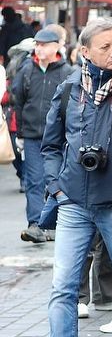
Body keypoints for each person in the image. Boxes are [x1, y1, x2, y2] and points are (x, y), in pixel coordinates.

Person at [41, 18, 112, 337]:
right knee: (62, 289)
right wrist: (56, 188)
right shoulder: (69, 90)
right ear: (85, 52)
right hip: (73, 203)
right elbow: (50, 146)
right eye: (105, 47)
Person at [12, 28, 73, 243]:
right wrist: (19, 133)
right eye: (37, 45)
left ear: (56, 46)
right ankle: (35, 224)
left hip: (59, 138)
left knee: (56, 180)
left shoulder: (67, 72)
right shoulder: (27, 69)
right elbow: (18, 101)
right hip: (31, 135)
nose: (39, 49)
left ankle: (55, 222)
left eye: (44, 44)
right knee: (34, 180)